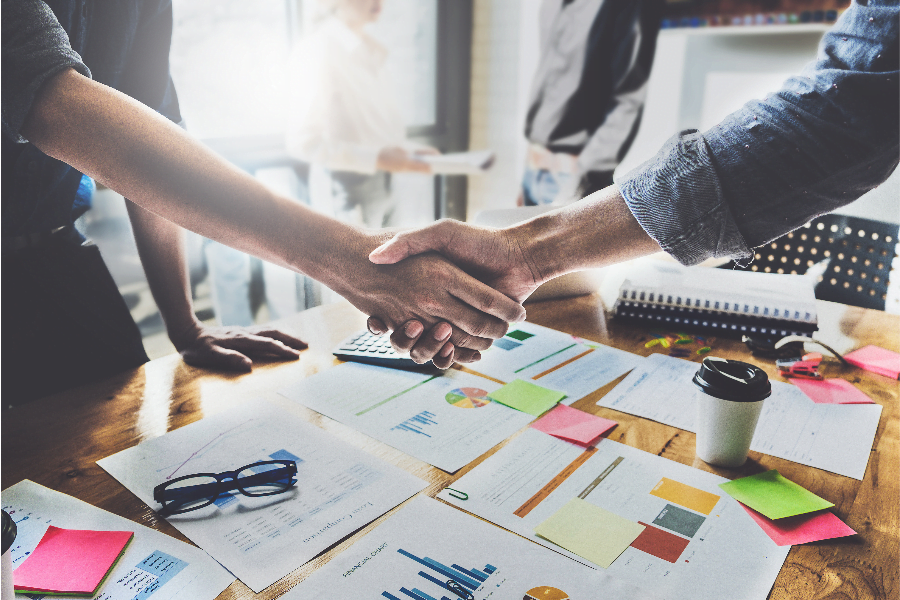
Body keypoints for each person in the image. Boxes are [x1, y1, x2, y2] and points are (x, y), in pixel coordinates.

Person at [2, 0, 525, 403]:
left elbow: (145, 153)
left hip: (57, 255)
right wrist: (352, 262)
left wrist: (187, 328)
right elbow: (54, 104)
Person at [368, 0, 899, 362]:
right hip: (543, 154)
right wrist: (526, 246)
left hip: (580, 163)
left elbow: (849, 110)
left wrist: (537, 238)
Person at [286, 0, 435, 228]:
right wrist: (377, 158)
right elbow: (303, 142)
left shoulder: (370, 50)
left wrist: (410, 151)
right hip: (346, 190)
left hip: (388, 184)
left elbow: (372, 129)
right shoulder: (316, 50)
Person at [520, 0, 663, 206]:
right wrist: (528, 173)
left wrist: (584, 180)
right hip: (535, 170)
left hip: (575, 177)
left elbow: (628, 100)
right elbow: (549, 78)